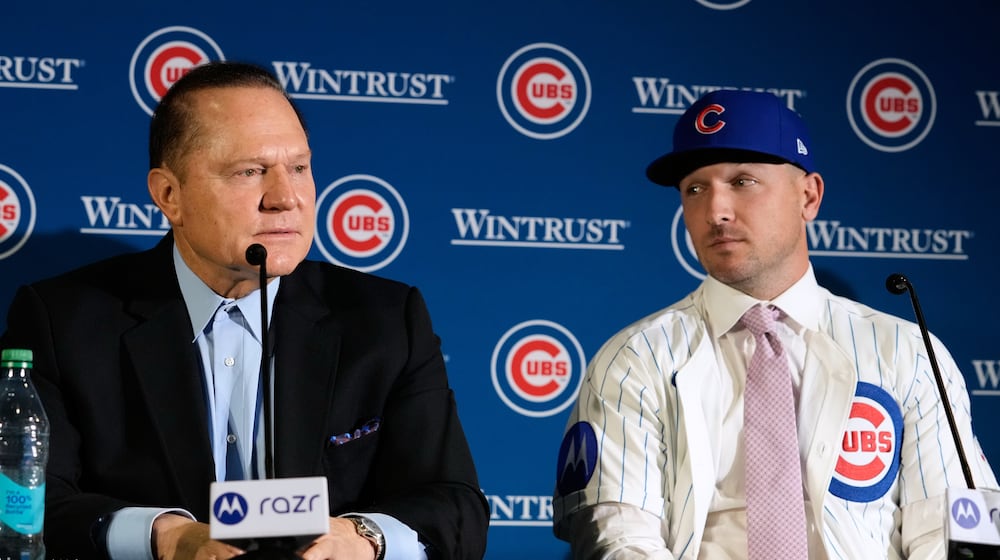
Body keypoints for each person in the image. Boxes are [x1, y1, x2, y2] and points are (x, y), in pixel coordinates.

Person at [0, 61, 488, 560]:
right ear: (169, 195)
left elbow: (456, 508)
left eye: (298, 168)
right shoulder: (64, 322)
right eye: (249, 172)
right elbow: (30, 504)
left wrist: (360, 538)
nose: (285, 198)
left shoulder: (385, 321)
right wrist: (170, 538)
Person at [551, 89, 998, 559]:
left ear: (808, 196)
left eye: (742, 181)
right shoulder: (633, 360)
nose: (716, 211)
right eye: (695, 189)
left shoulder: (905, 351)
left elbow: (957, 530)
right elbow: (618, 538)